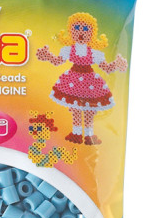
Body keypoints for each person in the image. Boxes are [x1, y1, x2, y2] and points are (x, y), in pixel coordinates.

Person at [36, 12, 127, 145]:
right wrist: (48, 56)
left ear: (92, 33)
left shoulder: (95, 53)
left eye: (85, 29)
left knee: (90, 110)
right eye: (77, 28)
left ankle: (89, 135)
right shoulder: (68, 50)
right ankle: (77, 134)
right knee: (76, 109)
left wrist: (116, 65)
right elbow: (58, 61)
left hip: (90, 83)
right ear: (71, 31)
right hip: (73, 82)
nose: (81, 32)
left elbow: (106, 68)